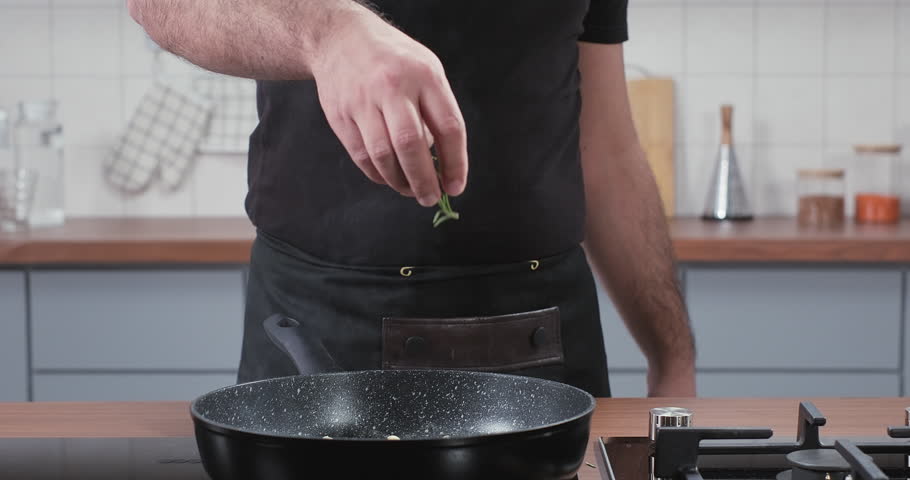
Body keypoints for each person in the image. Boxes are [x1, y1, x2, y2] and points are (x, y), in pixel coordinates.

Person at [128, 0, 696, 397]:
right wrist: (326, 31)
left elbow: (608, 151)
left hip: (547, 341)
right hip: (319, 331)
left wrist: (673, 363)